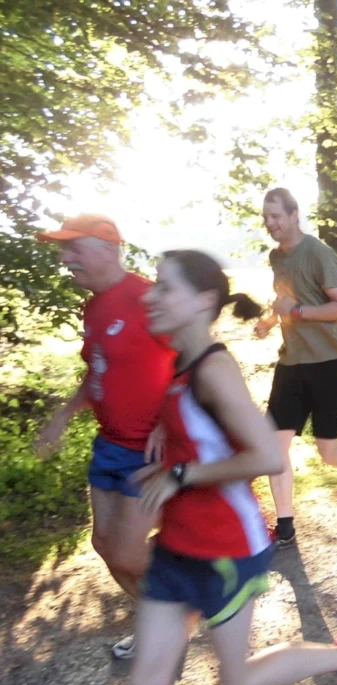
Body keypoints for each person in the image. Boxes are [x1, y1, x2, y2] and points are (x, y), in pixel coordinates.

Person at [130, 250, 337, 685]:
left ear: (202, 301)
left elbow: (268, 455)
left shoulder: (213, 369)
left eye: (163, 288)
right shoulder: (180, 361)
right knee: (148, 682)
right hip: (176, 546)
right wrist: (166, 433)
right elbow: (198, 425)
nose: (150, 297)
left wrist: (183, 474)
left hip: (226, 547)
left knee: (235, 681)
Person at [35, 214, 176, 660]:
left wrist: (168, 421)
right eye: (64, 248)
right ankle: (160, 624)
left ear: (107, 248)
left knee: (129, 555)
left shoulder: (145, 298)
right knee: (103, 545)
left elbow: (195, 357)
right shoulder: (93, 306)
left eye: (74, 247)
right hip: (109, 444)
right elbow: (98, 370)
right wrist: (64, 414)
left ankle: (198, 584)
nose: (65, 257)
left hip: (147, 450)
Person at [254, 188, 337, 547]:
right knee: (274, 446)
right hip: (292, 363)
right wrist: (270, 321)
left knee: (328, 452)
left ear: (294, 214)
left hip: (328, 363)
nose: (270, 223)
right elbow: (286, 299)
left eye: (276, 216)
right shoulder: (276, 257)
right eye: (266, 217)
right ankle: (285, 526)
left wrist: (296, 313)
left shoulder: (318, 254)